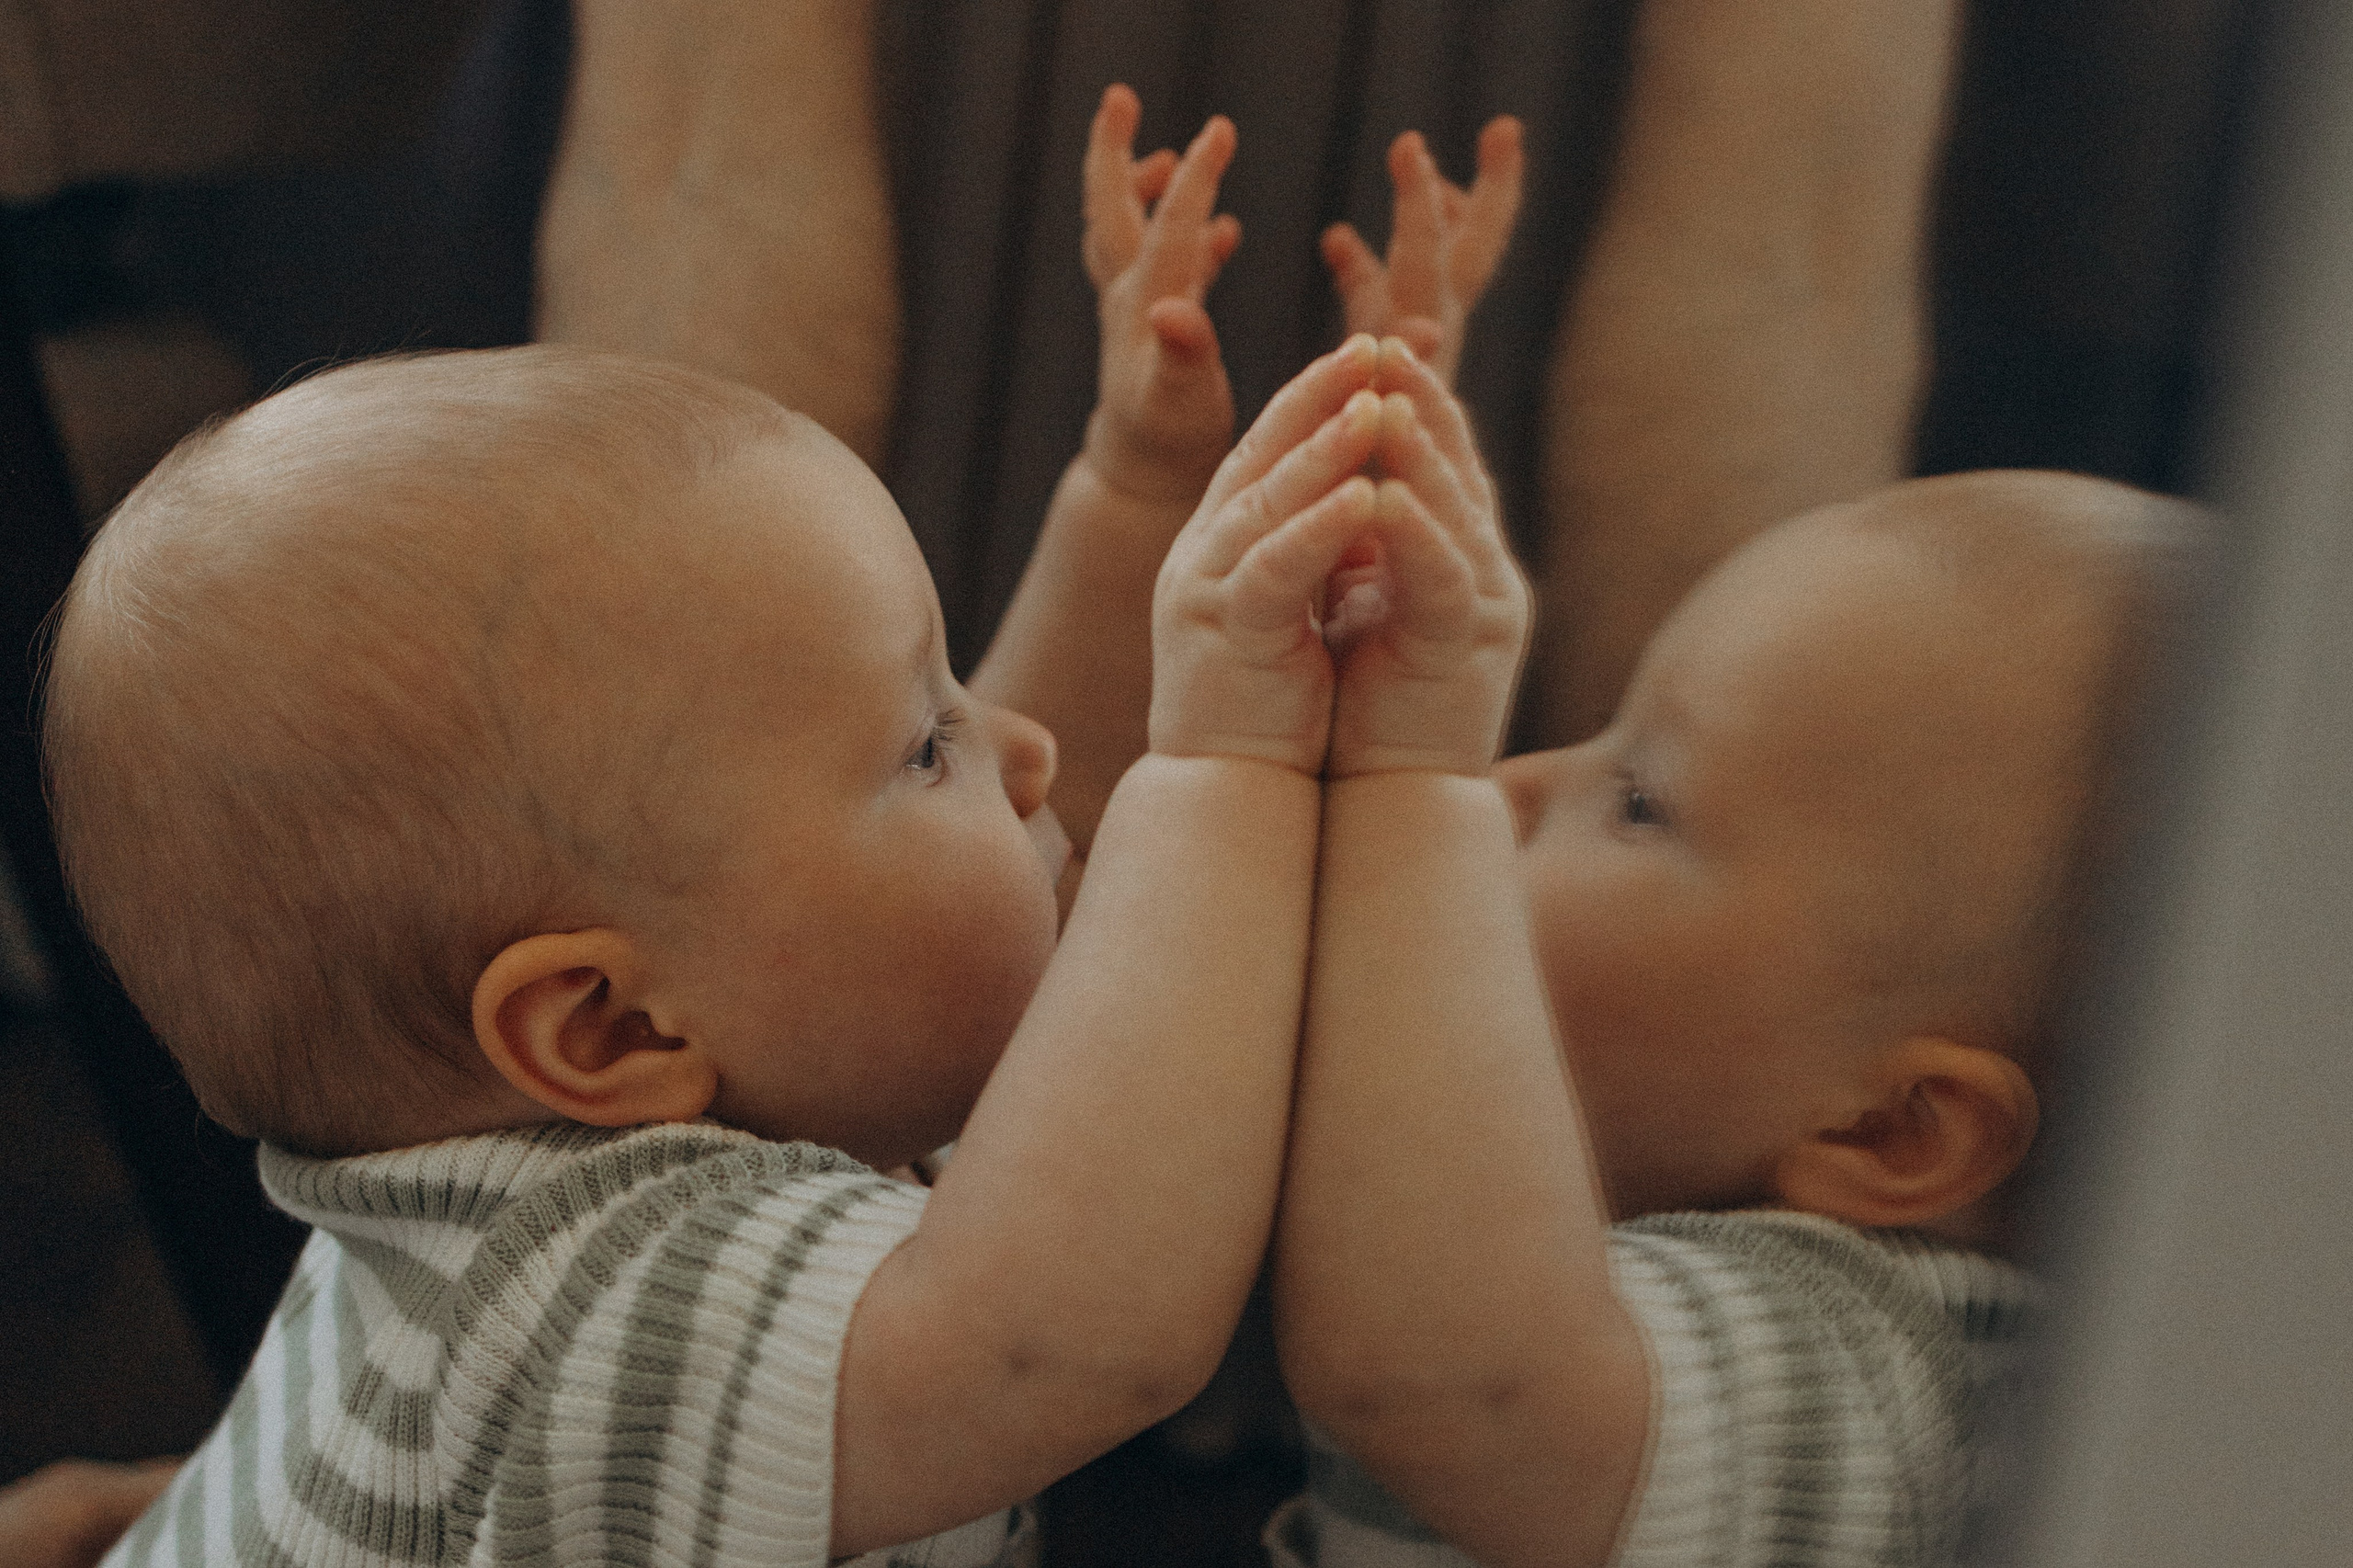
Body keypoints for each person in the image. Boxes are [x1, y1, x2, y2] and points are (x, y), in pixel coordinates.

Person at [41, 272, 1489, 1568]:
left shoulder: (712, 1053)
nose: (1030, 750)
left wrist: (1132, 490)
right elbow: (1079, 1341)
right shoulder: (604, 1294)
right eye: (928, 744)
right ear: (608, 1027)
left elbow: (975, 883)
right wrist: (1227, 754)